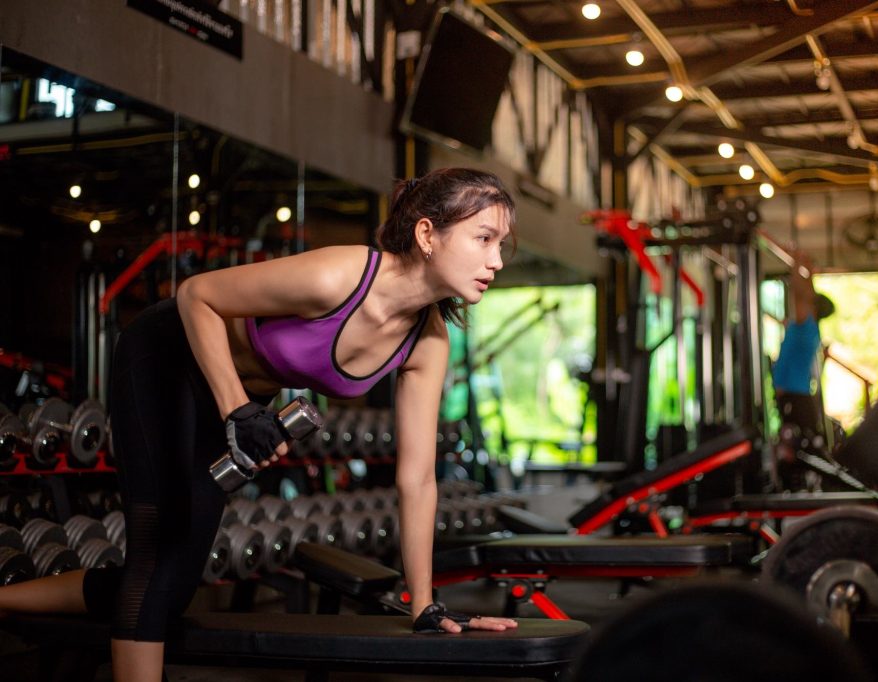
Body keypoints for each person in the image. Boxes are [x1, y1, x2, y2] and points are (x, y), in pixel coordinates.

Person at [0, 167, 519, 681]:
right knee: (156, 561)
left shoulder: (426, 344)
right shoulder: (339, 276)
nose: (496, 260)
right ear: (427, 234)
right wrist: (239, 412)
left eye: (501, 244)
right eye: (484, 238)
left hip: (232, 398)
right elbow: (196, 296)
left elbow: (418, 478)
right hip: (166, 355)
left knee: (175, 584)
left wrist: (423, 604)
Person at [772, 250, 836, 491]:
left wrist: (799, 266)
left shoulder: (806, 325)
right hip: (796, 394)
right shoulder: (808, 329)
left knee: (799, 444)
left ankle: (802, 485)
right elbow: (805, 295)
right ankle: (803, 484)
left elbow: (802, 295)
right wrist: (806, 271)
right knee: (802, 441)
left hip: (794, 394)